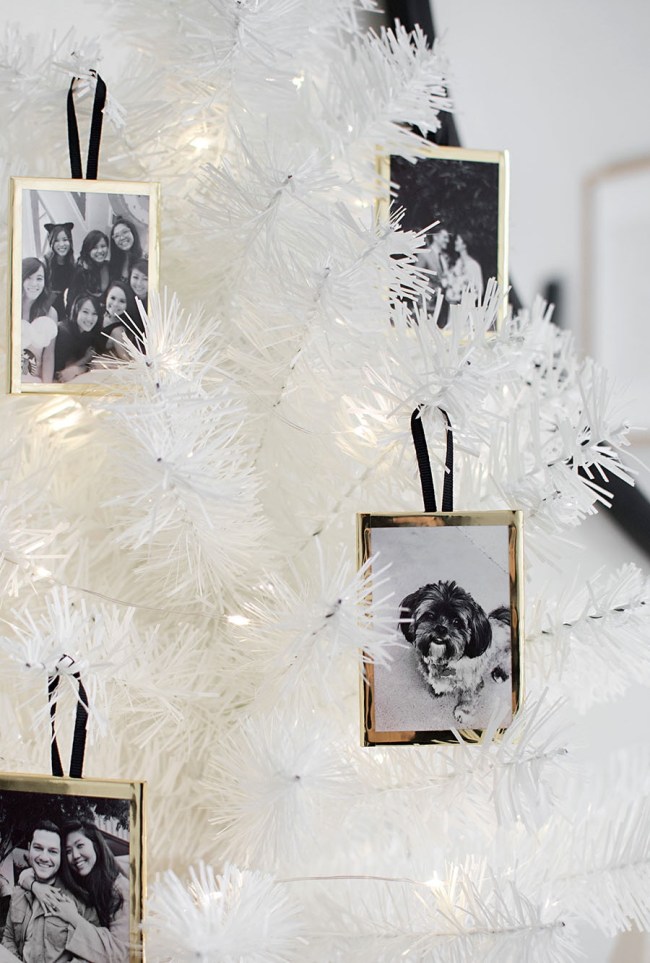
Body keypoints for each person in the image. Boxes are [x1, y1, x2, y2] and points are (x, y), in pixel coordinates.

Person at [2, 820, 99, 962]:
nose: (44, 857)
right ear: (29, 848)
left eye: (52, 851)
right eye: (38, 848)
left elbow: (94, 950)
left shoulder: (80, 897)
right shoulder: (19, 893)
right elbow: (9, 938)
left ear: (61, 856)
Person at [21, 258, 58, 384]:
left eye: (39, 278)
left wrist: (46, 387)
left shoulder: (50, 313)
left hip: (34, 381)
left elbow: (48, 356)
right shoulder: (7, 306)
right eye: (29, 277)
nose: (34, 283)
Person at [54, 295, 103, 383]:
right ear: (76, 311)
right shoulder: (63, 332)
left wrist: (79, 368)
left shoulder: (89, 333)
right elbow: (60, 374)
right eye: (85, 312)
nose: (90, 318)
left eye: (94, 314)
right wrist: (85, 360)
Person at [416, 227, 451, 327]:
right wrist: (422, 303)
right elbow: (417, 279)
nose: (447, 241)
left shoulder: (444, 257)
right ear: (436, 237)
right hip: (428, 305)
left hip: (443, 305)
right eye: (445, 237)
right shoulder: (424, 254)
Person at [66, 231, 110, 308]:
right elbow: (71, 300)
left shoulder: (109, 267)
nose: (100, 251)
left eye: (103, 246)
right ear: (88, 250)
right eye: (95, 247)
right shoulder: (80, 271)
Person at [42, 223, 75, 322]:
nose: (62, 244)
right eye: (56, 240)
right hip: (44, 307)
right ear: (51, 243)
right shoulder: (44, 263)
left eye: (65, 240)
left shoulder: (71, 264)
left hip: (61, 308)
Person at [96, 282, 132, 362]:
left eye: (122, 301)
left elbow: (127, 362)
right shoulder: (96, 313)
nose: (115, 304)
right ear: (106, 297)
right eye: (112, 298)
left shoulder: (119, 331)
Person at [446, 232, 484, 304]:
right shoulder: (457, 263)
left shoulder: (473, 265)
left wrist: (464, 299)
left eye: (457, 240)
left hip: (466, 305)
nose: (455, 242)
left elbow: (479, 290)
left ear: (464, 244)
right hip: (453, 304)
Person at [108, 218, 142, 284]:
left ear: (133, 232)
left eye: (125, 232)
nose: (122, 238)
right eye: (116, 236)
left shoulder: (146, 260)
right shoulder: (114, 263)